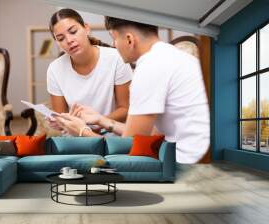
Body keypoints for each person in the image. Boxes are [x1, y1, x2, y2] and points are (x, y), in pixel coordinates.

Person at [54, 16, 210, 164]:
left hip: (182, 163)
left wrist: (82, 131)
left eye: (114, 38)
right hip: (193, 155)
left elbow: (131, 147)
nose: (114, 45)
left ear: (129, 39)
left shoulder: (149, 68)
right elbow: (152, 133)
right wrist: (102, 120)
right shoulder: (173, 56)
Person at [46, 8, 133, 134]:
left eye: (73, 31)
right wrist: (59, 122)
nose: (69, 40)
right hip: (77, 139)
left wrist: (97, 122)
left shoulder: (116, 58)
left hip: (112, 136)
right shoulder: (55, 69)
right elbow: (61, 117)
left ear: (86, 28)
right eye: (61, 38)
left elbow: (125, 109)